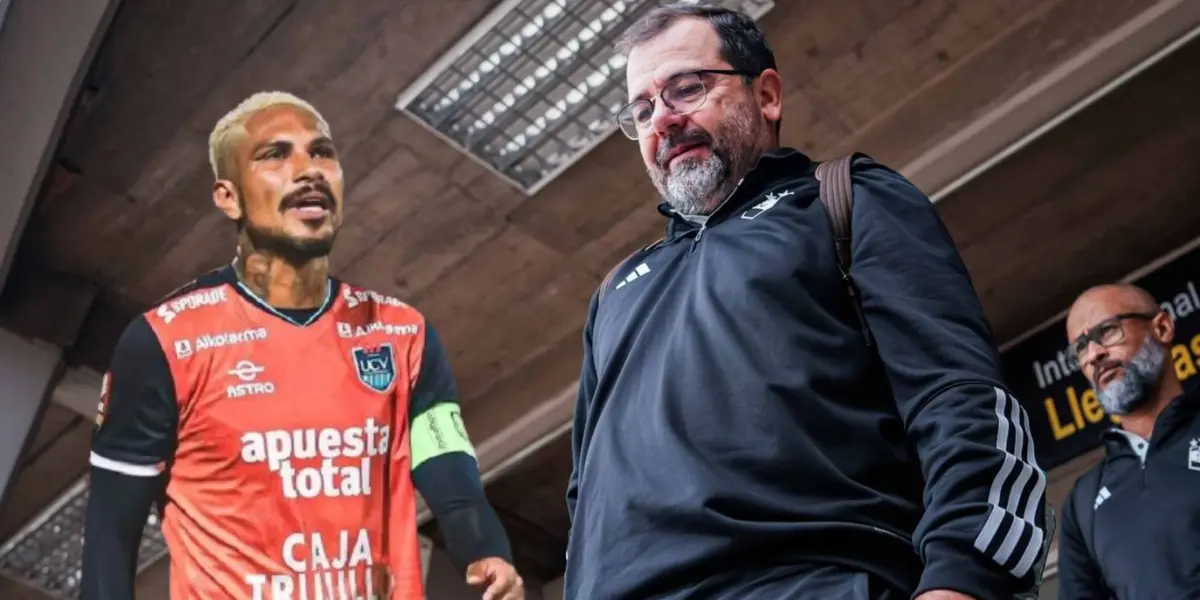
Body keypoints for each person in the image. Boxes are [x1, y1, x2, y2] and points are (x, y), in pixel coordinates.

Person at [564, 5, 1049, 600]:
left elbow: (960, 397)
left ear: (767, 95)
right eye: (642, 110)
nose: (662, 119)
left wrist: (963, 578)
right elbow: (583, 502)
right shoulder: (616, 291)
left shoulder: (844, 200)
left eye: (686, 89)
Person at [80, 91, 524, 600]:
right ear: (228, 197)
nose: (309, 169)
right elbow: (110, 535)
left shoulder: (403, 332)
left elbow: (450, 472)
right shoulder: (163, 341)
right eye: (275, 154)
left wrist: (486, 550)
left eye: (322, 152)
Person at [1057, 283, 1200, 599]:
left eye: (1107, 331)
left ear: (1162, 328)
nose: (1094, 354)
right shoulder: (1083, 502)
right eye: (1080, 348)